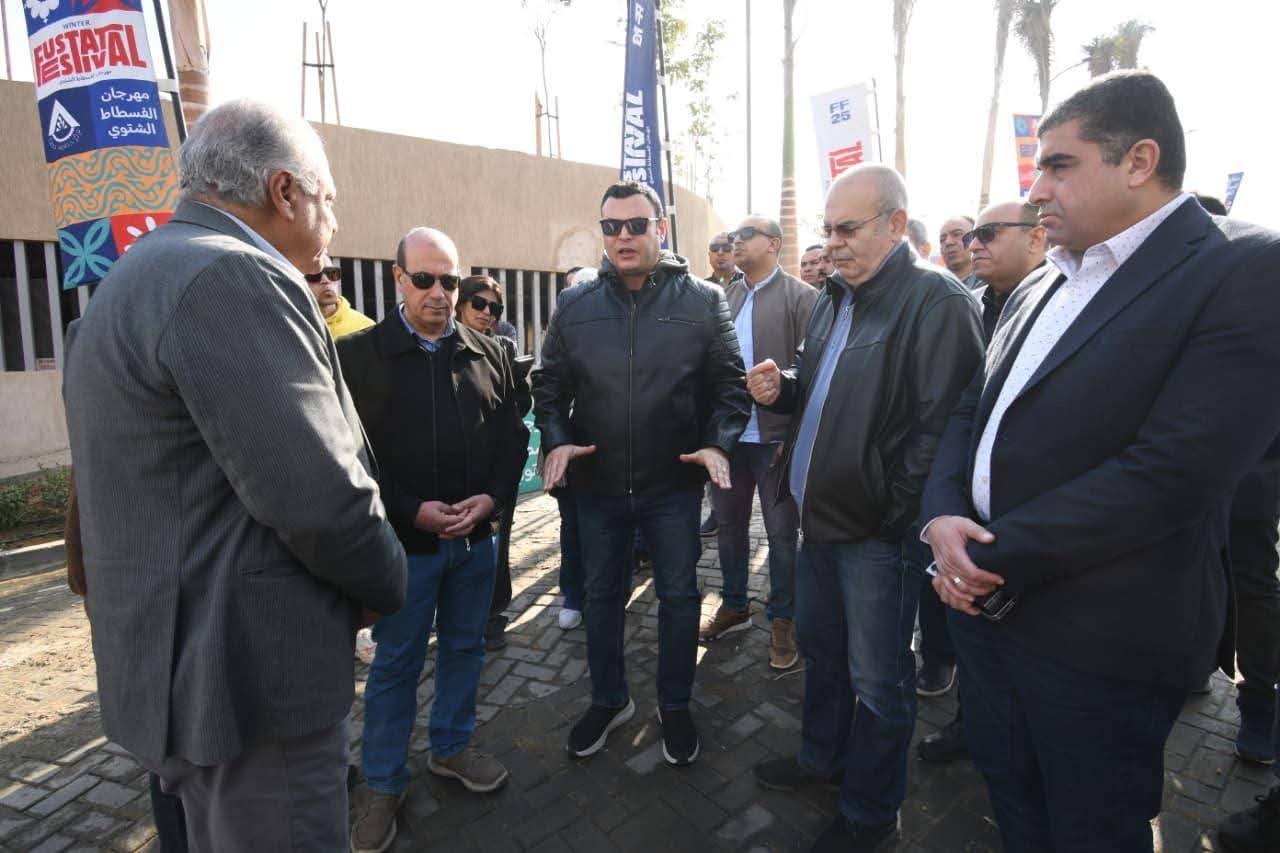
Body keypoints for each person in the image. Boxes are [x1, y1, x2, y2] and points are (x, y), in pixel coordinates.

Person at [921, 71, 1280, 853]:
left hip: (1098, 647)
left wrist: (981, 559)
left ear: (1139, 161)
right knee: (1014, 803)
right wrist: (942, 514)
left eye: (1059, 165)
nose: (1036, 190)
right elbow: (970, 411)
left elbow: (1174, 474)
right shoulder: (1041, 282)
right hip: (983, 617)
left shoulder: (1244, 267)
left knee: (1091, 831)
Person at [61, 99, 407, 851]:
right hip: (247, 687)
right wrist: (389, 583)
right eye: (327, 199)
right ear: (284, 191)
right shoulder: (233, 274)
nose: (333, 221)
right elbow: (318, 497)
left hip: (172, 674)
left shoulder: (131, 277)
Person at [747, 164, 983, 852]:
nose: (833, 242)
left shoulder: (937, 301)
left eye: (847, 228)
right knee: (823, 654)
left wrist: (890, 515)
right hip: (820, 520)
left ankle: (872, 812)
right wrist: (786, 387)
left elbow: (943, 431)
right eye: (828, 229)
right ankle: (821, 760)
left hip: (877, 534)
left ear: (896, 225)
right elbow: (825, 383)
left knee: (879, 680)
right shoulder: (834, 296)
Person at [534, 180, 749, 766]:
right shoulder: (575, 305)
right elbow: (548, 385)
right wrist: (557, 439)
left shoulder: (703, 300)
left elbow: (730, 388)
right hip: (597, 488)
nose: (623, 236)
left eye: (636, 225)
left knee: (679, 597)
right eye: (611, 227)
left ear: (661, 227)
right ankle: (610, 700)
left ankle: (674, 704)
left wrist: (718, 444)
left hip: (672, 487)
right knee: (601, 595)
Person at [340, 228, 528, 853]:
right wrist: (408, 511)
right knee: (396, 663)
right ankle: (383, 782)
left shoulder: (489, 351)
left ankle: (450, 747)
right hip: (404, 548)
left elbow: (512, 438)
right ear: (398, 279)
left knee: (466, 648)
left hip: (475, 544)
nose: (439, 293)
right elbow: (347, 458)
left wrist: (492, 500)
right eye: (424, 279)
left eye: (449, 280)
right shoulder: (358, 357)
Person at [916, 200, 1047, 762]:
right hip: (964, 503)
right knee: (973, 636)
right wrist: (941, 506)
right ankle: (973, 725)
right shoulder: (976, 306)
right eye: (972, 236)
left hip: (1029, 520)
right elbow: (961, 409)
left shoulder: (1062, 306)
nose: (973, 244)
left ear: (1036, 239)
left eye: (987, 233)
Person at [699, 215, 816, 671]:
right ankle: (734, 606)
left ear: (773, 243)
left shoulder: (802, 298)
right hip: (729, 439)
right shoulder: (723, 297)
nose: (735, 242)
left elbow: (812, 374)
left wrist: (794, 436)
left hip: (775, 441)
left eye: (745, 235)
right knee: (728, 527)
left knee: (782, 534)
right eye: (732, 236)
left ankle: (783, 618)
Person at [454, 275, 534, 652]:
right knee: (456, 544)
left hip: (498, 471)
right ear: (460, 305)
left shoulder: (504, 347)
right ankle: (456, 614)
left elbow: (522, 405)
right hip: (456, 468)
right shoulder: (444, 346)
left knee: (496, 546)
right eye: (479, 304)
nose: (487, 313)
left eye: (495, 307)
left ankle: (493, 616)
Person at [306, 251, 374, 338]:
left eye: (332, 273)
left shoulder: (365, 328)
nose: (326, 280)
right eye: (315, 276)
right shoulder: (291, 325)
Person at [938, 215, 978, 286]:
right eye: (942, 239)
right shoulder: (932, 286)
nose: (948, 242)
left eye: (957, 234)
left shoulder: (992, 282)